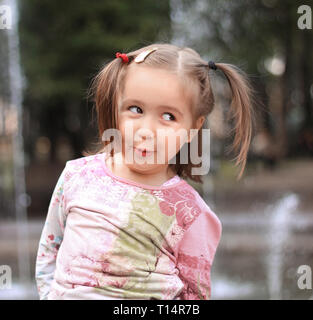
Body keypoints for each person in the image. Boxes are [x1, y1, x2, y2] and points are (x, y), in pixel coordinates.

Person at [35, 43, 255, 300]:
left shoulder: (190, 213)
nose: (146, 130)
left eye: (169, 116)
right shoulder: (78, 176)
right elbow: (50, 250)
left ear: (193, 128)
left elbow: (194, 297)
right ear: (116, 107)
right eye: (136, 109)